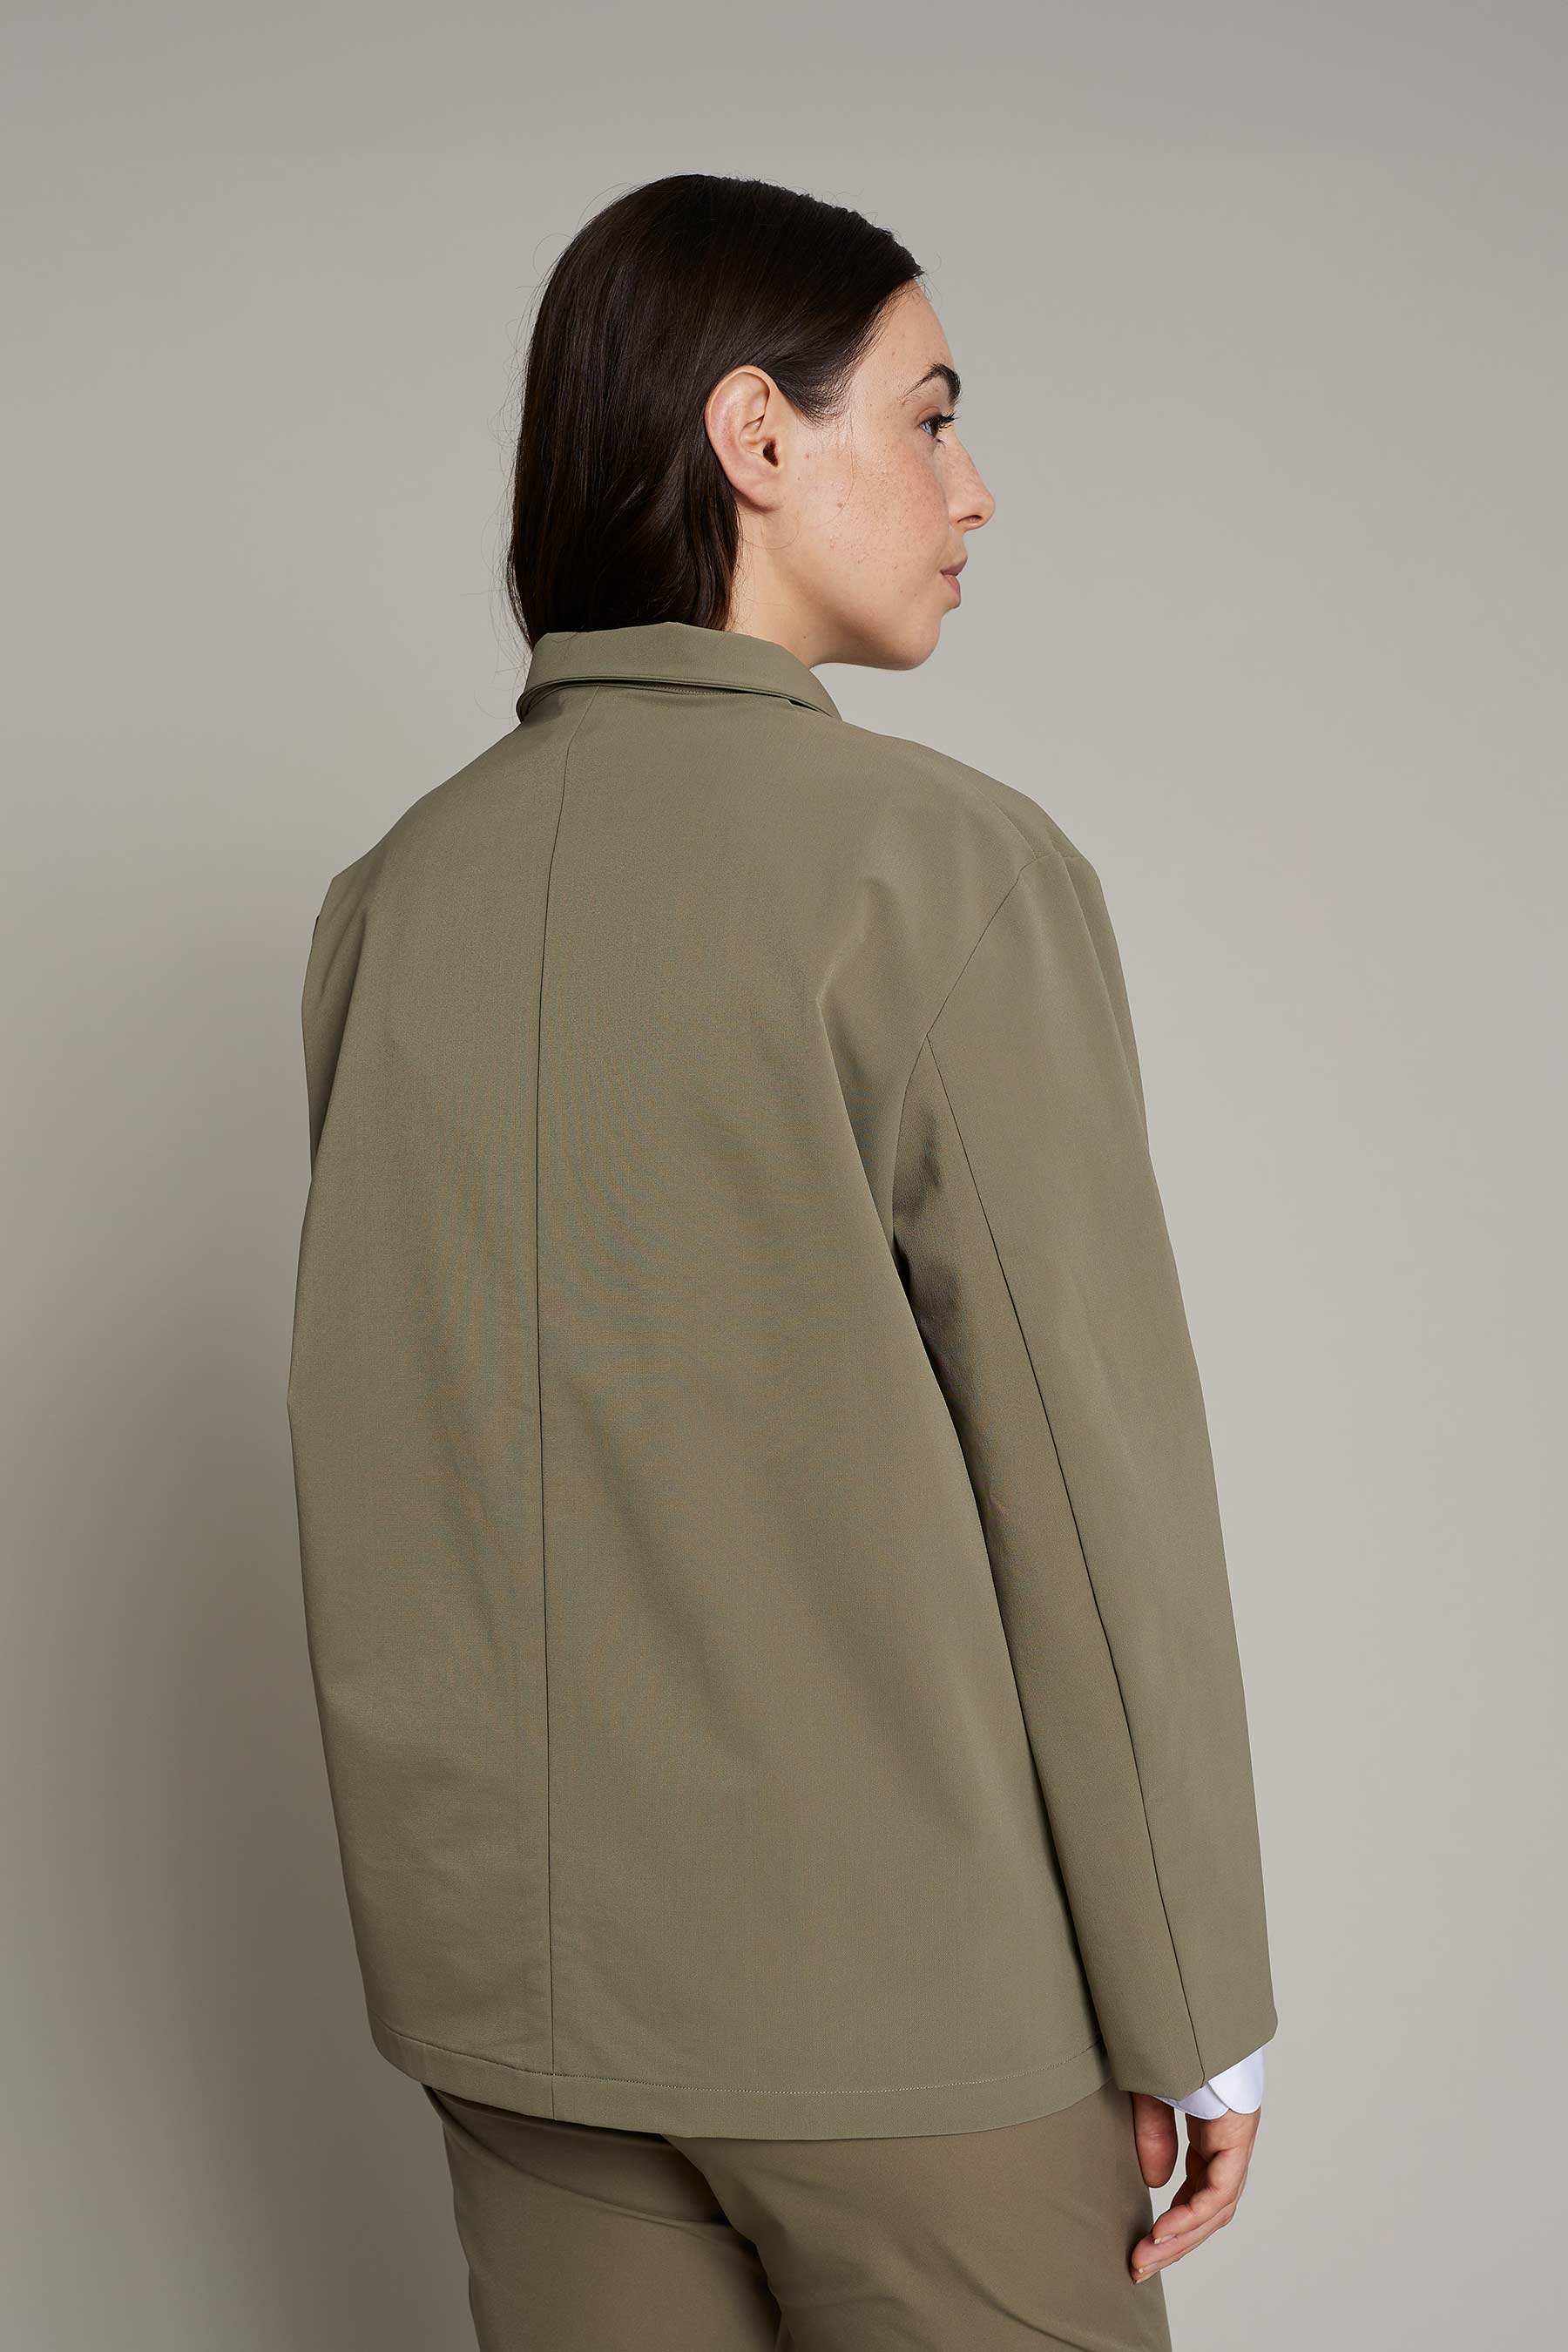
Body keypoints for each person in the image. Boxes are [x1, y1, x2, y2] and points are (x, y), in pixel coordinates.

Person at [286, 172, 1277, 2351]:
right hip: (904, 2021)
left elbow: (411, 1442)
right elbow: (1086, 1480)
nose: (972, 487)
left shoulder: (392, 900)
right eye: (929, 416)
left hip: (517, 2006)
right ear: (754, 434)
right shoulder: (941, 870)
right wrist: (1196, 2003)